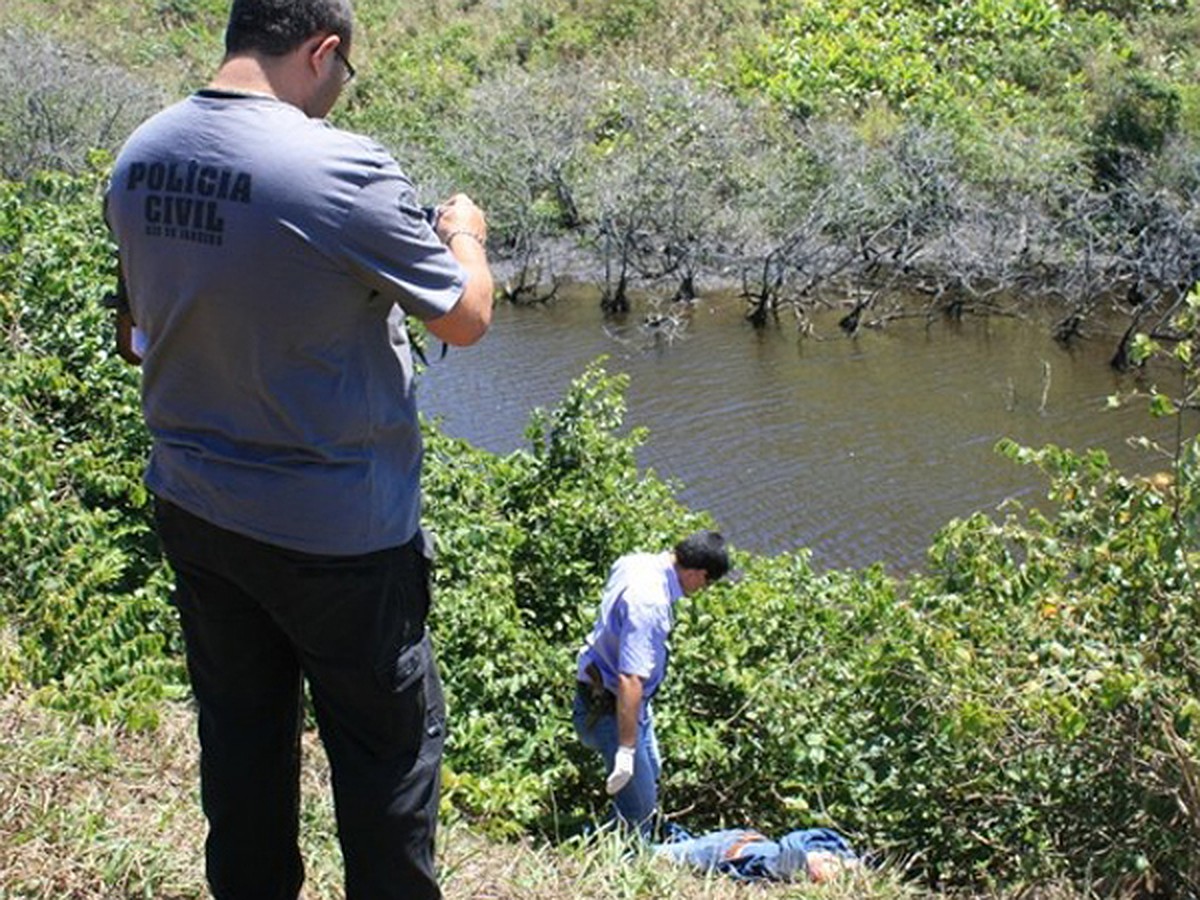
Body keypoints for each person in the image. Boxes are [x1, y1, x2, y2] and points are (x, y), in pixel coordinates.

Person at [104, 1, 494, 898]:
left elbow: (134, 326)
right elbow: (465, 319)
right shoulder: (340, 168)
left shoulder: (141, 156)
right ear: (322, 51)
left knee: (240, 749)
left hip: (197, 509)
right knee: (385, 768)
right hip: (341, 539)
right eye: (343, 73)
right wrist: (462, 232)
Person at [573, 531, 733, 835]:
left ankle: (606, 836)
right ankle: (614, 864)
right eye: (707, 582)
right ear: (697, 572)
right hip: (610, 709)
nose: (703, 589)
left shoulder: (635, 562)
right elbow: (630, 678)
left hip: (617, 701)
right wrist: (626, 749)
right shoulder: (650, 601)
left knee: (650, 774)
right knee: (641, 811)